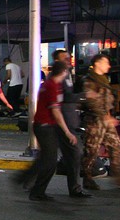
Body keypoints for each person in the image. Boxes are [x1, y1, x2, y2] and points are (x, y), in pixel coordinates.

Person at [17, 60, 91, 201]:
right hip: (45, 126)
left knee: (48, 159)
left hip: (46, 126)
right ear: (63, 72)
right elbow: (56, 111)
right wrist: (67, 132)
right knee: (50, 162)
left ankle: (34, 187)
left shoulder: (49, 84)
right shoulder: (52, 86)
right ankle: (36, 191)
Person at [82, 54, 120, 188]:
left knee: (115, 146)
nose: (108, 66)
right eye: (106, 62)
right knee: (92, 151)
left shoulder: (103, 80)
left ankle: (119, 176)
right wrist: (105, 116)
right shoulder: (90, 80)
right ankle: (87, 177)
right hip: (95, 121)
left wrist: (109, 115)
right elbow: (91, 102)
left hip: (105, 120)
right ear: (97, 63)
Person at [53, 48, 87, 196]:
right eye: (65, 58)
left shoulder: (67, 74)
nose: (68, 60)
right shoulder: (56, 78)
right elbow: (64, 98)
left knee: (51, 157)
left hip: (69, 120)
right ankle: (75, 189)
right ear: (57, 61)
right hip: (63, 121)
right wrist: (84, 96)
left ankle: (32, 184)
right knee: (74, 154)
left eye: (69, 57)